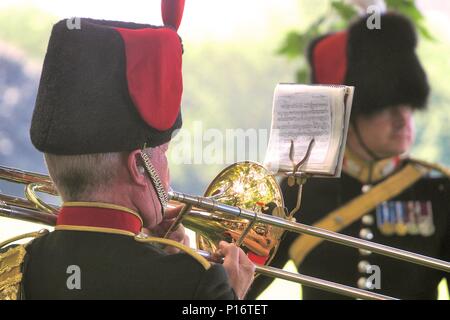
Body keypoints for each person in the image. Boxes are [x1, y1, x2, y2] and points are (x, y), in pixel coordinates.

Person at [0, 0, 254, 300]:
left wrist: (167, 257)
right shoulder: (197, 283)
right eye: (164, 153)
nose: (166, 168)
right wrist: (232, 297)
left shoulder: (13, 266)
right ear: (138, 166)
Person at [247, 12, 449, 300]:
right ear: (348, 115)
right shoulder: (296, 193)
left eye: (407, 106)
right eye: (384, 106)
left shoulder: (439, 191)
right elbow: (237, 290)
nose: (403, 120)